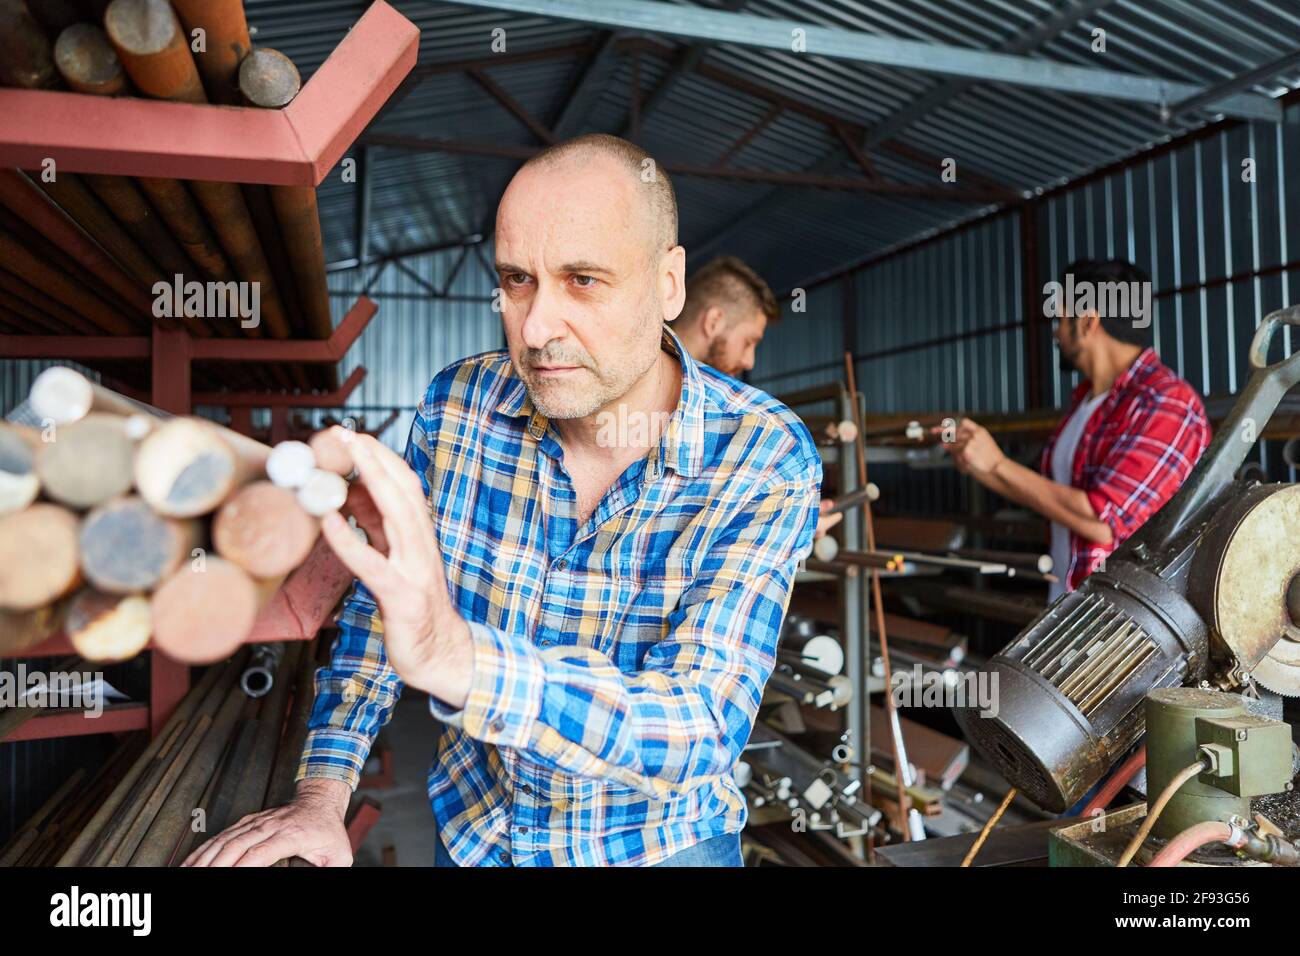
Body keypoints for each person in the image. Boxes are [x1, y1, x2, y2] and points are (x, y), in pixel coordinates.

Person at [185, 133, 822, 868]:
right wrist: (321, 796)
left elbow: (701, 724)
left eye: (583, 280)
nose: (537, 327)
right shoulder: (460, 406)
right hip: (477, 837)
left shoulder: (762, 455)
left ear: (669, 284)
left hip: (657, 850)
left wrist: (462, 662)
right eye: (518, 280)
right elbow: (378, 608)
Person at [938, 258, 1210, 601]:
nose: (1055, 331)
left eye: (1061, 318)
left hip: (1125, 620)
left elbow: (1103, 521)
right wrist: (979, 463)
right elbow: (1055, 498)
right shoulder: (1087, 401)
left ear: (1087, 322)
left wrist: (997, 465)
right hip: (1071, 601)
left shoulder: (1166, 403)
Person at [673, 255, 842, 539]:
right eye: (749, 342)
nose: (750, 361)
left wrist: (787, 515)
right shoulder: (668, 404)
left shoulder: (712, 410)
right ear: (714, 322)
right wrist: (788, 522)